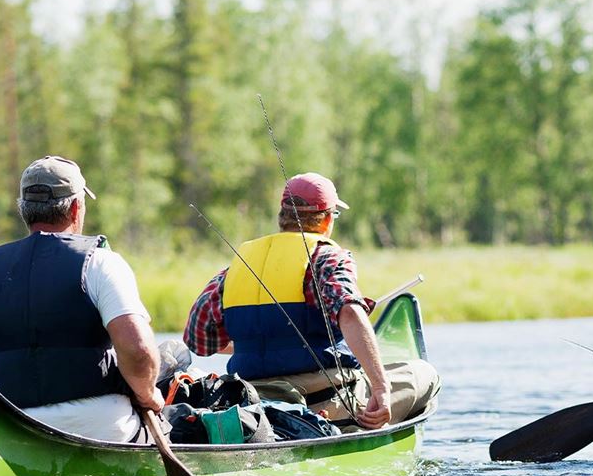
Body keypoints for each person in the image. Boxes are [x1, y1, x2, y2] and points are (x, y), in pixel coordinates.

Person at [184, 172, 440, 429]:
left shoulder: (236, 269)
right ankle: (368, 423)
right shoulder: (327, 257)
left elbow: (198, 340)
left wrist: (258, 343)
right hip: (323, 401)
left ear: (282, 217)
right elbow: (350, 314)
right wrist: (381, 388)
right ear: (327, 218)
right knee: (425, 374)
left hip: (251, 400)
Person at [0, 156, 166, 442]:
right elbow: (138, 351)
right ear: (76, 208)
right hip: (102, 430)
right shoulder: (101, 262)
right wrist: (149, 396)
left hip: (11, 432)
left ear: (24, 210)